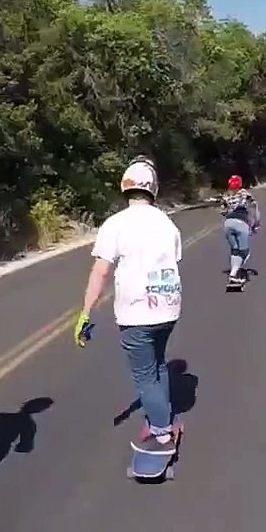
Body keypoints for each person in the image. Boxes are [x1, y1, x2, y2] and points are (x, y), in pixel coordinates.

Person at [74, 155, 184, 455]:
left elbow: (101, 271)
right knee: (158, 363)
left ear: (125, 188)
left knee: (145, 374)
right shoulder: (167, 223)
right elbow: (174, 261)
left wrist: (85, 313)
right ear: (153, 189)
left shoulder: (115, 224)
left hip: (137, 312)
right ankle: (162, 415)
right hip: (169, 307)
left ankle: (162, 434)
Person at [219, 174, 261, 286]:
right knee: (244, 252)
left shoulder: (225, 196)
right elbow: (254, 206)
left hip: (228, 224)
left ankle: (234, 272)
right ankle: (233, 274)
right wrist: (256, 223)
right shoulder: (244, 193)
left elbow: (223, 212)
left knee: (235, 250)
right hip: (241, 223)